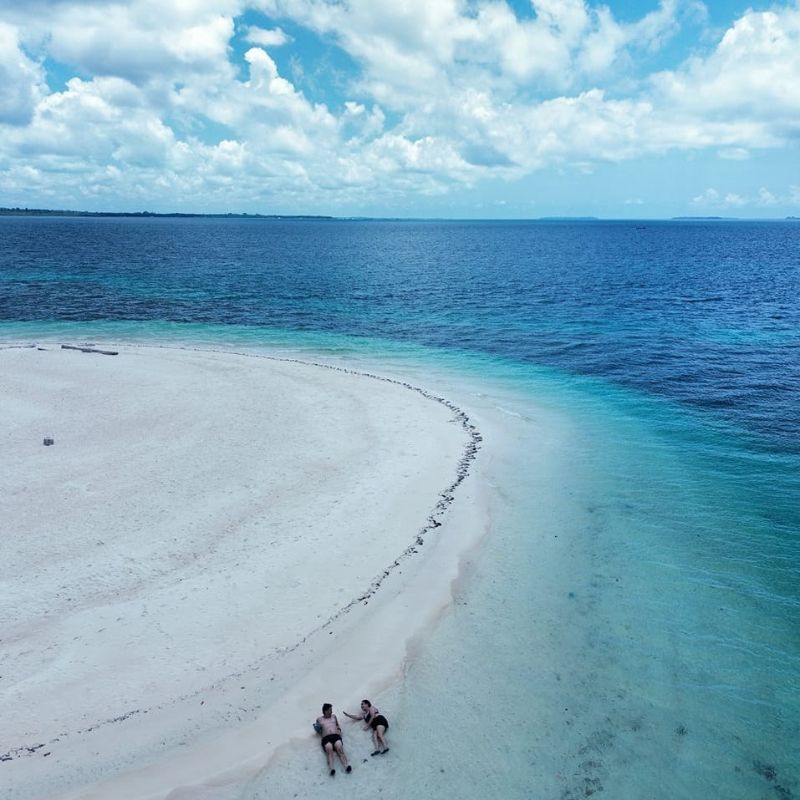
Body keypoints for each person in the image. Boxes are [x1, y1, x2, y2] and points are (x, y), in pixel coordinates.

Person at [316, 703, 351, 776]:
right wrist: (317, 729)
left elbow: (337, 725)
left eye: (331, 710)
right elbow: (317, 729)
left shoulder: (334, 717)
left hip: (335, 736)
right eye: (329, 710)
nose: (331, 711)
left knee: (339, 747)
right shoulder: (319, 719)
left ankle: (346, 766)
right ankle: (332, 769)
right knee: (329, 749)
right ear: (325, 711)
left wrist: (339, 730)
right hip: (326, 738)